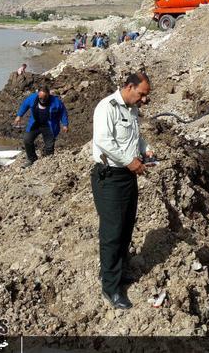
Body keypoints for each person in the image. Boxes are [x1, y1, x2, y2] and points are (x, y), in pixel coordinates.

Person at [91, 71, 153, 310]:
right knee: (112, 232)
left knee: (126, 227)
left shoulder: (131, 109)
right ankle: (110, 289)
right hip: (110, 177)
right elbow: (104, 142)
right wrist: (130, 160)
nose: (144, 100)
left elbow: (135, 137)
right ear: (129, 87)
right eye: (142, 95)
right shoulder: (107, 107)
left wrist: (146, 150)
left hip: (128, 176)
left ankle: (116, 272)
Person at [14, 86, 69, 167]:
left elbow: (63, 112)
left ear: (48, 95)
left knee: (49, 146)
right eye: (40, 98)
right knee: (27, 140)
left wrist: (65, 124)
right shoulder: (32, 98)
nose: (42, 100)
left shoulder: (56, 102)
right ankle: (32, 159)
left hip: (49, 126)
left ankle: (48, 163)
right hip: (35, 124)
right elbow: (25, 104)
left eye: (44, 98)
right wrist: (19, 116)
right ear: (38, 95)